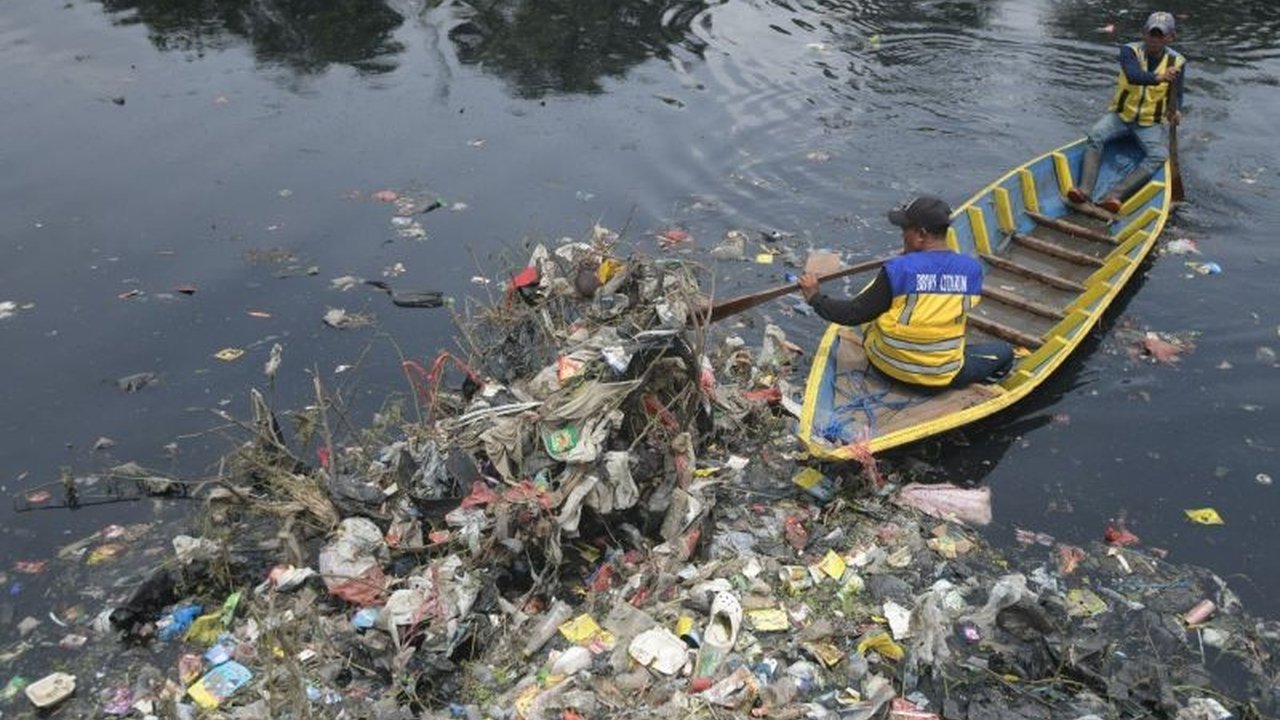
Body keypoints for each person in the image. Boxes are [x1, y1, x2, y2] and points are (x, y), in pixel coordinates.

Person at [798, 195, 1013, 391]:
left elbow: (853, 314)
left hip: (888, 368)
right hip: (940, 376)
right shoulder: (972, 270)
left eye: (905, 230)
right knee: (1005, 352)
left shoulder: (898, 269)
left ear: (921, 234)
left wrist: (815, 297)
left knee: (875, 317)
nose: (902, 236)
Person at [1067, 11, 1186, 213]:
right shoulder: (1129, 51)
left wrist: (1176, 111)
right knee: (1095, 135)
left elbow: (1178, 93)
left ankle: (1114, 196)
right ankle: (1084, 190)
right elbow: (1133, 75)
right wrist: (1160, 77)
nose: (1155, 39)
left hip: (1150, 122)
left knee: (1159, 155)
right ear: (1144, 33)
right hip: (1121, 116)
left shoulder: (1178, 62)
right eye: (1152, 34)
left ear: (1171, 37)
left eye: (1160, 35)